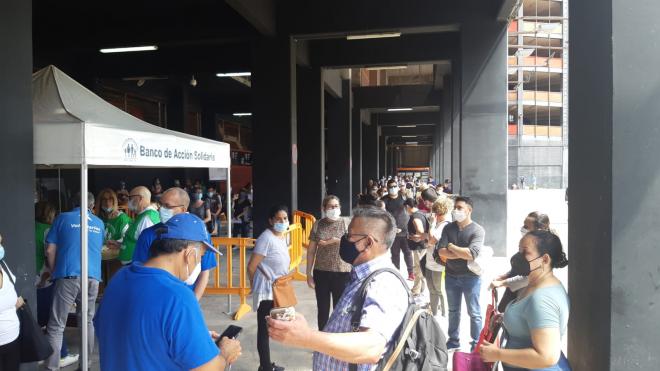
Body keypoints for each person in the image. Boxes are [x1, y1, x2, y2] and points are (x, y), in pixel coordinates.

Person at [267, 207, 409, 370]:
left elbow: (371, 347)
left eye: (349, 235)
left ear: (368, 242)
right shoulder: (362, 276)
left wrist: (305, 337)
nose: (344, 239)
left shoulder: (383, 283)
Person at [94, 214, 242, 370]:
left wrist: (193, 335)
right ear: (190, 254)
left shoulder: (119, 278)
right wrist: (225, 355)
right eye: (202, 256)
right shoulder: (179, 296)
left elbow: (124, 330)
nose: (199, 263)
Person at [479, 231, 571, 371]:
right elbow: (530, 318)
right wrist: (507, 318)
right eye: (519, 251)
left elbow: (547, 357)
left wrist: (497, 354)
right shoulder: (537, 282)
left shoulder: (543, 299)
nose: (517, 257)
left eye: (525, 253)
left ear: (545, 260)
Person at [44, 192, 105, 370]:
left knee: (56, 325)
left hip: (68, 275)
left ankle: (52, 367)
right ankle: (85, 365)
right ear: (92, 206)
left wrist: (55, 271)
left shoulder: (62, 218)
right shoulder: (99, 223)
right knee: (86, 322)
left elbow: (49, 250)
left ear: (72, 204)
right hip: (92, 278)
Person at [132, 187, 218, 300]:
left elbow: (204, 271)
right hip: (155, 298)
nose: (161, 209)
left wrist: (194, 301)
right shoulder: (148, 235)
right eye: (160, 205)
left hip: (186, 298)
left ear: (183, 209)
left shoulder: (200, 234)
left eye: (167, 206)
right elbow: (140, 271)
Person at [434, 196, 485, 351]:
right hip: (451, 276)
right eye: (455, 207)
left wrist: (452, 247)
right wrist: (460, 252)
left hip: (471, 278)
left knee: (474, 312)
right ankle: (453, 341)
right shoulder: (449, 228)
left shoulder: (477, 230)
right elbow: (441, 251)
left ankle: (476, 343)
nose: (456, 210)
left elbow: (472, 254)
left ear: (469, 210)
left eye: (460, 208)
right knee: (453, 311)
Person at [35, 202, 79, 368]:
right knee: (54, 319)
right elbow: (50, 252)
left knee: (39, 315)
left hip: (30, 274)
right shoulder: (48, 229)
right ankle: (61, 354)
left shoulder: (30, 226)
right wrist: (54, 272)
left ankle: (41, 352)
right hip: (44, 276)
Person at [247, 205, 291, 371]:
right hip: (266, 290)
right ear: (271, 221)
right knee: (264, 329)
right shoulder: (266, 238)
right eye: (278, 219)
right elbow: (251, 266)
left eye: (285, 219)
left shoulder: (282, 236)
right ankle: (265, 367)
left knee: (271, 326)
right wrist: (253, 286)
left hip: (277, 288)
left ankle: (266, 364)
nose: (282, 222)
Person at [306, 196, 351, 330]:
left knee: (340, 309)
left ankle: (337, 341)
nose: (334, 209)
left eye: (336, 206)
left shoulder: (346, 223)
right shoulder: (318, 224)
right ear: (324, 208)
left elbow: (354, 245)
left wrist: (337, 240)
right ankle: (322, 343)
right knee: (323, 310)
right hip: (321, 272)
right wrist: (308, 274)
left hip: (342, 272)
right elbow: (311, 251)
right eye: (330, 206)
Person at [491, 212, 552, 312]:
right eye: (523, 224)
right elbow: (519, 268)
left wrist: (503, 283)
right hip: (516, 296)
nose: (523, 228)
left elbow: (531, 277)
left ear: (538, 230)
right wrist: (505, 275)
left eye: (526, 226)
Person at [0, 234, 26, 370]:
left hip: (12, 337)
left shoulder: (3, 266)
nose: (1, 248)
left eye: (1, 243)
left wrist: (16, 301)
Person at [116, 186, 160, 265]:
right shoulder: (142, 216)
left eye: (130, 198)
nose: (128, 201)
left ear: (140, 198)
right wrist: (119, 244)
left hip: (138, 267)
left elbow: (149, 248)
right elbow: (136, 241)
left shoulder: (147, 218)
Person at [425, 197, 453, 317]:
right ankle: (434, 312)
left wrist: (431, 225)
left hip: (439, 264)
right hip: (430, 262)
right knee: (432, 290)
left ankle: (444, 314)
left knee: (439, 290)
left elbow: (431, 241)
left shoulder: (444, 225)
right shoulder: (439, 224)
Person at [382, 179, 414, 281]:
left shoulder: (403, 197)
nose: (393, 188)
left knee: (408, 253)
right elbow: (382, 216)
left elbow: (412, 206)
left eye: (394, 186)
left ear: (397, 186)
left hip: (405, 230)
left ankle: (411, 273)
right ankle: (396, 273)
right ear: (387, 188)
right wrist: (392, 228)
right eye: (390, 187)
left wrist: (409, 195)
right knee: (395, 254)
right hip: (393, 232)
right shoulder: (384, 200)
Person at [404, 197, 429, 297]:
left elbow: (420, 231)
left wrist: (415, 237)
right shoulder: (421, 213)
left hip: (419, 247)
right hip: (421, 246)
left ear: (407, 207)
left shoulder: (415, 217)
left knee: (418, 269)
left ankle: (418, 290)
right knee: (419, 268)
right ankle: (418, 289)